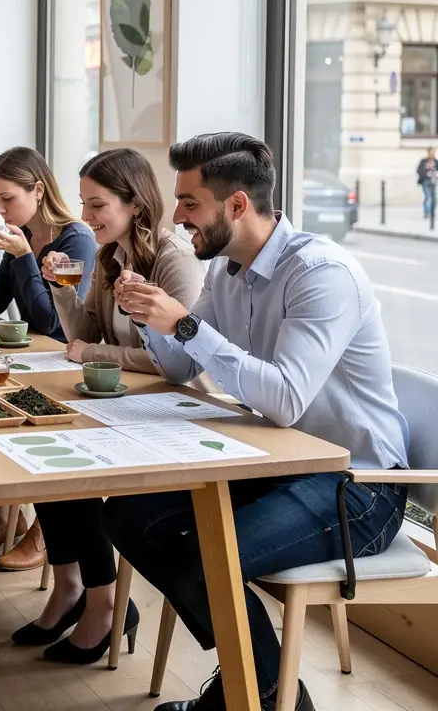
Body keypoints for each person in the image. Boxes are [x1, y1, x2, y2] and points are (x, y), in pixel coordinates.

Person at [104, 132, 410, 711]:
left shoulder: (321, 273)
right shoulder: (227, 271)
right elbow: (175, 366)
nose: (177, 217)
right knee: (126, 515)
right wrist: (148, 315)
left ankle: (252, 695)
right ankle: (270, 689)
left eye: (190, 203)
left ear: (237, 204)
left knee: (204, 557)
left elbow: (286, 398)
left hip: (358, 487)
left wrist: (188, 326)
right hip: (278, 462)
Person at [5, 148, 206, 660]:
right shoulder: (109, 255)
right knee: (40, 448)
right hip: (119, 398)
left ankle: (105, 600)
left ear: (135, 204)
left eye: (97, 206)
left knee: (69, 469)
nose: (87, 216)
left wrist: (89, 351)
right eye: (84, 204)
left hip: (172, 409)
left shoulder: (172, 257)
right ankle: (72, 588)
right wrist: (62, 291)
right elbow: (86, 333)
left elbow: (175, 364)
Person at [0, 146, 97, 560]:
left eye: (7, 198)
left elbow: (53, 323)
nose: (0, 208)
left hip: (64, 359)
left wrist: (22, 258)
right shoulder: (26, 235)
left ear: (38, 190)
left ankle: (44, 529)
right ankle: (4, 517)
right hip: (35, 356)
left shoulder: (77, 237)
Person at [417, 147, 437, 220]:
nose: (432, 154)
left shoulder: (436, 161)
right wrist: (426, 174)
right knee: (427, 196)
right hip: (426, 180)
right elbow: (419, 170)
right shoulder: (424, 161)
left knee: (434, 198)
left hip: (434, 180)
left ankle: (432, 211)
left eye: (433, 152)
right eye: (431, 152)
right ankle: (426, 212)